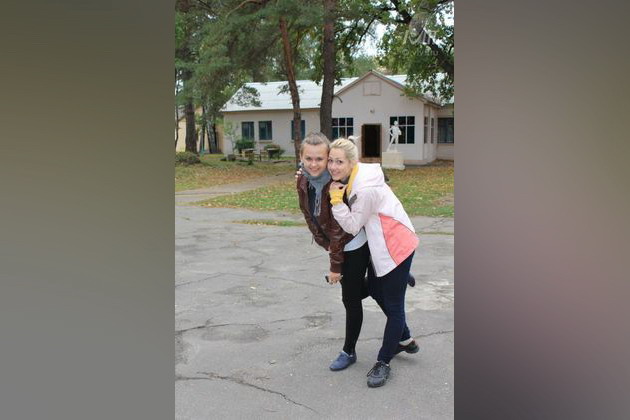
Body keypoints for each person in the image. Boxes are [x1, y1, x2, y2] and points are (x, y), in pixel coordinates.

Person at [327, 137, 419, 388]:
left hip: (395, 248)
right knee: (378, 291)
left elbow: (352, 225)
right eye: (331, 161)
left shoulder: (364, 188)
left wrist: (336, 201)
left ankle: (383, 361)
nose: (333, 167)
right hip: (384, 247)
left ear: (352, 162)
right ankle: (404, 339)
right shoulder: (357, 176)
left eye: (339, 162)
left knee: (394, 306)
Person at [296, 132, 371, 372]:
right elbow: (308, 214)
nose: (314, 164)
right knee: (364, 291)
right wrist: (323, 242)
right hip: (336, 247)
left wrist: (335, 267)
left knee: (350, 299)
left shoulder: (336, 184)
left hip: (353, 245)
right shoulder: (303, 179)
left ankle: (349, 351)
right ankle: (402, 332)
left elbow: (339, 231)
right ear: (301, 157)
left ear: (328, 158)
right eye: (309, 158)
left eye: (320, 159)